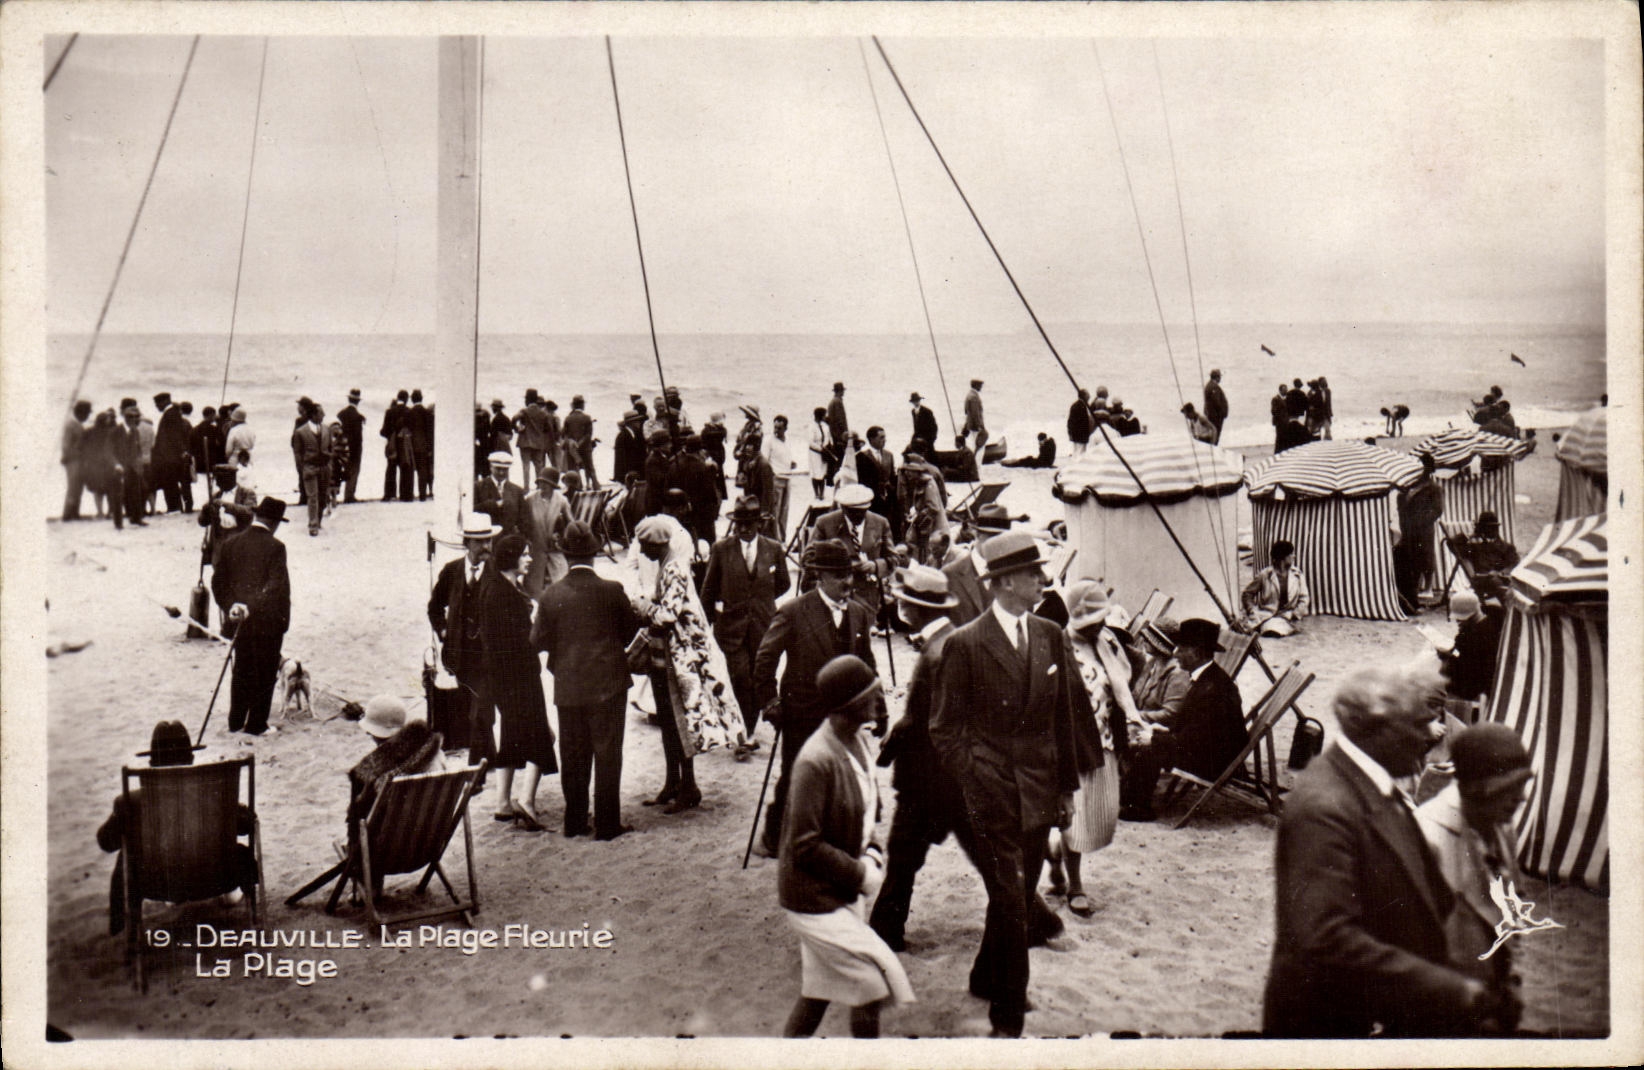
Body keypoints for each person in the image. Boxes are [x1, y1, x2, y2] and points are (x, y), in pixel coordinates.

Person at [1263, 663, 1511, 1036]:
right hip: (1328, 1025)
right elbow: (1325, 938)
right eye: (1419, 723)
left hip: (1378, 1005)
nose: (1429, 735)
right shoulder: (1324, 806)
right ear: (1378, 729)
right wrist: (1449, 989)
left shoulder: (1371, 782)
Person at [928, 530, 1079, 1037]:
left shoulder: (1050, 633)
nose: (1043, 580)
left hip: (1039, 790)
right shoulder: (966, 644)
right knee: (1013, 901)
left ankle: (983, 975)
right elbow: (944, 728)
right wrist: (975, 776)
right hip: (991, 794)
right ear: (1007, 582)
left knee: (1015, 893)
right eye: (1034, 573)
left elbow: (1063, 718)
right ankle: (1008, 1017)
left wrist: (1066, 789)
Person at [779, 654, 916, 1038]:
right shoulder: (815, 761)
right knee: (872, 985)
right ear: (849, 704)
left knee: (818, 994)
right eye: (871, 694)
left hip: (841, 892)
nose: (878, 700)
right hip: (813, 899)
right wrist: (861, 874)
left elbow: (868, 810)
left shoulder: (857, 742)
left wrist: (872, 851)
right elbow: (804, 845)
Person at [868, 565, 975, 951]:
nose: (900, 608)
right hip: (943, 775)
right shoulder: (947, 641)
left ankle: (884, 932)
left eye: (904, 602)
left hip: (926, 777)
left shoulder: (937, 652)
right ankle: (1036, 919)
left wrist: (889, 747)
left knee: (902, 853)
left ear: (917, 609)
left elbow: (923, 721)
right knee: (985, 852)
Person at [753, 539, 880, 858]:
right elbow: (765, 657)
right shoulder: (794, 611)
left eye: (849, 574)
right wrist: (770, 701)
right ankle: (773, 836)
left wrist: (877, 706)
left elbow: (867, 663)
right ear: (820, 576)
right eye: (838, 576)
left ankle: (830, 835)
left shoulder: (858, 613)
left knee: (842, 775)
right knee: (796, 775)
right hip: (802, 711)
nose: (847, 582)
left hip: (843, 715)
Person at [1416, 723, 1534, 1035]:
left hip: (1490, 1001)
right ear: (1477, 789)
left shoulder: (1499, 825)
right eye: (1510, 788)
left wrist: (1510, 986)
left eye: (1523, 785)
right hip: (1438, 1014)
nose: (1521, 799)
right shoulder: (1427, 836)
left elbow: (1512, 906)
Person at [533, 521, 643, 840]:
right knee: (608, 754)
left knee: (573, 755)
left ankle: (575, 821)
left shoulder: (551, 595)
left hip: (569, 686)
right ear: (594, 554)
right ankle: (608, 824)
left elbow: (537, 641)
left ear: (565, 556)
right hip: (609, 684)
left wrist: (564, 654)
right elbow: (630, 633)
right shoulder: (612, 590)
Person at [629, 517, 744, 813]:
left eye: (644, 545)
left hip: (682, 660)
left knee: (680, 722)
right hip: (667, 656)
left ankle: (688, 786)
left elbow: (667, 615)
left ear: (657, 544)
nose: (642, 551)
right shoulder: (667, 565)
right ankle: (673, 782)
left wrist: (644, 607)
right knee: (668, 721)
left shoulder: (675, 569)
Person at [97, 721, 256, 935]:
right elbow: (247, 827)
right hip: (219, 877)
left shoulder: (132, 802)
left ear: (152, 762)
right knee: (238, 851)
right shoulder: (216, 795)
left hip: (157, 883)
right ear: (190, 759)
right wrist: (239, 810)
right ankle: (253, 914)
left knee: (125, 857)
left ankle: (121, 929)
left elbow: (106, 842)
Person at [1045, 582, 1133, 919]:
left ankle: (1055, 852)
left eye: (1102, 620)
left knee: (1102, 819)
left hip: (1105, 742)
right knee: (1077, 820)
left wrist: (1123, 746)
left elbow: (1122, 692)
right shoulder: (1059, 645)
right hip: (1073, 746)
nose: (1100, 626)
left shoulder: (1106, 643)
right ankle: (1075, 886)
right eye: (1093, 621)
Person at [1118, 618, 1244, 822]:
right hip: (1208, 749)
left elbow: (1195, 740)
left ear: (1196, 653)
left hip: (1213, 761)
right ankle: (1129, 798)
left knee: (1151, 747)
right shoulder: (1207, 678)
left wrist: (1156, 738)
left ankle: (1137, 808)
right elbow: (1195, 728)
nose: (1175, 654)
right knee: (1152, 739)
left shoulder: (1212, 689)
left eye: (1181, 649)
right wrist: (1163, 731)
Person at [478, 534, 558, 832]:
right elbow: (519, 642)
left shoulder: (497, 587)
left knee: (511, 735)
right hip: (519, 676)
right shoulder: (504, 594)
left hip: (502, 678)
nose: (529, 559)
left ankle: (502, 803)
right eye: (524, 554)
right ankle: (526, 800)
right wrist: (536, 622)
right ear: (511, 558)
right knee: (542, 735)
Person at [701, 496, 791, 745]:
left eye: (749, 523)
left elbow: (783, 583)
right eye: (739, 523)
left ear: (759, 524)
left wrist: (762, 601)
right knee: (739, 677)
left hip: (762, 625)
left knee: (757, 676)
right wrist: (707, 623)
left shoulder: (773, 549)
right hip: (731, 627)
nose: (743, 529)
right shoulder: (721, 549)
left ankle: (748, 729)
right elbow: (708, 590)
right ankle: (742, 730)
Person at [211, 498, 291, 737]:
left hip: (239, 622)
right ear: (275, 522)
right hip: (268, 623)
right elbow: (275, 586)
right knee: (265, 673)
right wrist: (251, 606)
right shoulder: (276, 547)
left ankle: (236, 721)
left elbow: (218, 583)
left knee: (242, 669)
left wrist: (231, 606)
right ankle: (257, 724)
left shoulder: (231, 543)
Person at [428, 514, 502, 770]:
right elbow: (434, 608)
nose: (486, 547)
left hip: (489, 656)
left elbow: (522, 603)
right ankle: (490, 759)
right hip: (460, 657)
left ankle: (476, 770)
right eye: (480, 542)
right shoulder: (452, 572)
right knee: (475, 708)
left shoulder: (498, 572)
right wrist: (444, 631)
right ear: (467, 543)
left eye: (488, 541)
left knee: (481, 710)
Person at [940, 504, 1014, 624]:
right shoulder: (949, 574)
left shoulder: (1013, 575)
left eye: (1003, 539)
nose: (998, 544)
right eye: (992, 537)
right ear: (978, 535)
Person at [1394, 454, 1445, 612]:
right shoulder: (1408, 487)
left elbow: (1437, 510)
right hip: (1408, 529)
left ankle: (1424, 590)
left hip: (1423, 530)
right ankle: (1411, 594)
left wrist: (1421, 521)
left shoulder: (1433, 488)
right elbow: (1401, 504)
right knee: (1408, 560)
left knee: (1423, 558)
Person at [1440, 590, 1505, 703]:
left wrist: (1449, 655)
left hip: (1475, 685)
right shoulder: (1493, 621)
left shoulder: (1471, 637)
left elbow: (1460, 665)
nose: (1458, 622)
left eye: (1460, 620)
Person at [1240, 539, 1311, 636]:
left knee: (1277, 630)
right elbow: (1247, 594)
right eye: (1291, 554)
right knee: (1268, 630)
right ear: (1283, 558)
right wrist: (1252, 610)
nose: (1293, 556)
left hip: (1288, 616)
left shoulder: (1297, 574)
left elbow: (1304, 598)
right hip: (1266, 616)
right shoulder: (1265, 574)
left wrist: (1296, 614)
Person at [521, 468, 571, 599]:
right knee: (533, 590)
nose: (542, 485)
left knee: (562, 587)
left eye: (546, 483)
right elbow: (524, 524)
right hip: (536, 551)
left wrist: (560, 537)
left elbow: (570, 525)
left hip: (555, 551)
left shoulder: (562, 500)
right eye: (540, 482)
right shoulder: (530, 499)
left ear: (553, 485)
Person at [1450, 511, 1520, 604]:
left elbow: (1515, 563)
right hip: (1484, 580)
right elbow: (1451, 544)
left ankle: (1514, 607)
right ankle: (1510, 608)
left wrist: (1501, 573)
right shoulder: (1474, 547)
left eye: (1494, 527)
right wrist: (1471, 535)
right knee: (1497, 583)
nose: (1492, 530)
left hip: (1505, 578)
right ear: (1481, 529)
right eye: (1488, 527)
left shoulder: (1507, 547)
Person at [668, 433, 720, 546]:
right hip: (701, 515)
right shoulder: (703, 467)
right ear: (699, 451)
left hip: (681, 512)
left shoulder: (674, 464)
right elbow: (711, 496)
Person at [855, 426, 901, 541]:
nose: (884, 440)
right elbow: (862, 480)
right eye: (881, 437)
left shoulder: (889, 455)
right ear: (871, 439)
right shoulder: (862, 457)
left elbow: (892, 476)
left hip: (888, 499)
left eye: (884, 437)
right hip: (873, 498)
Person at [292, 403, 332, 537]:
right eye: (321, 413)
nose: (324, 415)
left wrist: (329, 464)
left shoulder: (326, 429)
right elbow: (297, 453)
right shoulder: (300, 432)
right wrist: (301, 469)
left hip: (324, 467)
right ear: (314, 415)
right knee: (312, 497)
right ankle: (313, 525)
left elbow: (330, 448)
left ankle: (318, 520)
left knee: (322, 496)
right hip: (310, 467)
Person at [150, 392, 192, 513]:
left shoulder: (170, 414)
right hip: (171, 455)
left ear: (164, 401)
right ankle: (176, 507)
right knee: (171, 482)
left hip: (169, 456)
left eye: (157, 404)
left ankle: (174, 508)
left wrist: (179, 451)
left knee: (169, 482)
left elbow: (175, 436)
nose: (157, 406)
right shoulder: (173, 413)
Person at [474, 451, 525, 538]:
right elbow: (472, 511)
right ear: (490, 467)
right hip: (486, 539)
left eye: (505, 469)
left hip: (509, 541)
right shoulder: (478, 487)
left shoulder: (517, 490)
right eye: (498, 469)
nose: (501, 472)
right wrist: (492, 505)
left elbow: (523, 519)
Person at [765, 415, 797, 537]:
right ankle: (776, 538)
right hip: (776, 478)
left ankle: (783, 537)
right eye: (775, 427)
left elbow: (785, 456)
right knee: (775, 510)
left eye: (779, 428)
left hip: (787, 477)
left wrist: (791, 463)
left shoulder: (787, 441)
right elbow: (765, 460)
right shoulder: (769, 440)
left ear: (785, 428)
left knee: (785, 510)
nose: (776, 431)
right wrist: (771, 476)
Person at [61, 400, 92, 520]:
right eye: (87, 414)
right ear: (81, 413)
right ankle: (68, 514)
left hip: (79, 461)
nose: (87, 416)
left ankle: (74, 513)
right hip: (73, 461)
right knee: (73, 487)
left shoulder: (78, 424)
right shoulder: (71, 425)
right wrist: (72, 456)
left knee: (78, 487)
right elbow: (66, 445)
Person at [381, 390, 414, 502]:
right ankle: (406, 495)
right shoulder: (409, 412)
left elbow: (384, 430)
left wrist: (390, 436)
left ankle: (389, 494)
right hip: (404, 444)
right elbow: (412, 430)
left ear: (398, 398)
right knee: (406, 468)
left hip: (393, 445)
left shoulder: (389, 412)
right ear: (406, 399)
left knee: (391, 468)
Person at [514, 390, 550, 487]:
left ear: (527, 399)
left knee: (526, 466)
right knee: (539, 466)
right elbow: (547, 428)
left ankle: (526, 488)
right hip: (538, 443)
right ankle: (540, 487)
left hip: (525, 442)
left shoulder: (524, 411)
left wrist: (517, 429)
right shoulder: (543, 413)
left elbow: (514, 419)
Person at [563, 394, 599, 489]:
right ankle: (596, 486)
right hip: (585, 448)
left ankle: (577, 487)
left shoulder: (568, 418)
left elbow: (564, 434)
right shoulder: (587, 418)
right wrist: (579, 443)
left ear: (573, 405)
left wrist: (572, 442)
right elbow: (588, 435)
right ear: (582, 405)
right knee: (590, 468)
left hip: (572, 448)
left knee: (573, 468)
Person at [336, 389, 366, 503]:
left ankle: (337, 493)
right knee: (354, 470)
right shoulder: (358, 416)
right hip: (355, 447)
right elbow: (357, 436)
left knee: (341, 468)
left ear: (349, 399)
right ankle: (349, 495)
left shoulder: (341, 413)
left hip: (342, 445)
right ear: (358, 401)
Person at [409, 389, 434, 501]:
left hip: (411, 446)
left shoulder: (409, 413)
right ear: (421, 399)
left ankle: (408, 495)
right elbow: (430, 433)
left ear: (412, 399)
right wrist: (430, 448)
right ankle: (422, 495)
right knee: (422, 470)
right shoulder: (427, 413)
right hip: (424, 446)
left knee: (410, 471)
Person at [808, 406, 833, 499]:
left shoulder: (825, 426)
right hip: (815, 453)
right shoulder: (811, 427)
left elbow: (828, 437)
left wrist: (827, 447)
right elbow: (811, 442)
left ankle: (822, 493)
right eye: (824, 415)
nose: (825, 417)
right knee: (815, 473)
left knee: (823, 473)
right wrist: (820, 449)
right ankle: (816, 493)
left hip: (824, 452)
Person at [961, 378, 988, 454]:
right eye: (980, 385)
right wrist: (980, 427)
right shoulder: (974, 397)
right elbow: (975, 414)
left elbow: (967, 412)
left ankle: (973, 459)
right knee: (979, 448)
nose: (981, 387)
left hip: (971, 426)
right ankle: (976, 461)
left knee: (974, 445)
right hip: (975, 427)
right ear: (976, 386)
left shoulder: (969, 395)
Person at [1202, 370, 1229, 444]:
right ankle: (1213, 447)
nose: (1220, 378)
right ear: (1217, 377)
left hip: (1211, 415)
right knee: (1215, 434)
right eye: (1219, 377)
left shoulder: (1209, 385)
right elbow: (1217, 402)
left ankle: (1212, 446)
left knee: (1213, 434)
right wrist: (1222, 412)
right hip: (1216, 417)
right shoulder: (1214, 387)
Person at [1066, 389, 1094, 456]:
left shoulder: (1077, 405)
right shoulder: (1081, 406)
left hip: (1077, 435)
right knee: (1080, 453)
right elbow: (1080, 422)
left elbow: (1070, 421)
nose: (1089, 396)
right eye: (1088, 394)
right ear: (1084, 396)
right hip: (1080, 435)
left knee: (1077, 451)